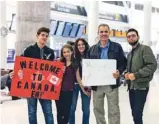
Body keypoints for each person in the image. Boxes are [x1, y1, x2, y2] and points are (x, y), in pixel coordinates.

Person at [87, 24, 127, 124]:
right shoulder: (92, 49)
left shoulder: (117, 47)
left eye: (106, 31)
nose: (104, 34)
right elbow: (87, 66)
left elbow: (123, 62)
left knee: (114, 110)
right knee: (97, 109)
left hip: (111, 84)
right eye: (101, 32)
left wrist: (119, 71)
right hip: (96, 85)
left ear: (109, 33)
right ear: (98, 33)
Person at [22, 27, 54, 124]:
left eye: (46, 36)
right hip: (31, 87)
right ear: (37, 36)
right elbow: (21, 66)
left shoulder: (50, 52)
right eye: (42, 35)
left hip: (45, 87)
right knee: (32, 112)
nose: (44, 37)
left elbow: (53, 70)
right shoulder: (28, 50)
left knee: (48, 112)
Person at [124, 28, 157, 124]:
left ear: (138, 37)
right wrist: (126, 73)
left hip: (141, 87)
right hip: (131, 87)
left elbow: (152, 65)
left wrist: (136, 74)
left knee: (137, 113)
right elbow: (129, 68)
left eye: (133, 35)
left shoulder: (144, 49)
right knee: (134, 113)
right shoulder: (130, 54)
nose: (131, 38)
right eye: (129, 36)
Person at [69, 38, 91, 124]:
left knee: (86, 109)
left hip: (87, 84)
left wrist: (89, 87)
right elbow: (77, 75)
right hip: (75, 84)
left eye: (82, 44)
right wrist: (82, 87)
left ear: (85, 45)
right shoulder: (74, 57)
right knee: (72, 108)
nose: (81, 46)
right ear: (76, 47)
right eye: (78, 45)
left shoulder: (90, 56)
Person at [55, 44, 79, 124]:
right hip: (58, 91)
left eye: (68, 52)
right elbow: (52, 74)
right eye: (64, 52)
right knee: (59, 111)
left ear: (72, 52)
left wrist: (85, 89)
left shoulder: (75, 63)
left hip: (69, 90)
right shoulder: (59, 62)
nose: (66, 54)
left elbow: (78, 78)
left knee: (67, 111)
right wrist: (59, 71)